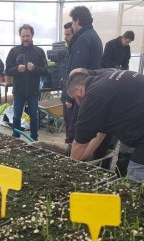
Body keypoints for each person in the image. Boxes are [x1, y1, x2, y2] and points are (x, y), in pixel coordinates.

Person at [67, 68, 144, 188]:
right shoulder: (103, 79)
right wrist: (82, 158)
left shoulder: (93, 95)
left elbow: (80, 142)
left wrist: (69, 169)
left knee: (140, 180)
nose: (77, 104)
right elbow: (100, 132)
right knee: (140, 176)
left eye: (74, 98)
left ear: (78, 90)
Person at [61, 6, 103, 149]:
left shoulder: (83, 38)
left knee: (76, 128)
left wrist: (69, 97)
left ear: (78, 20)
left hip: (80, 93)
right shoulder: (94, 36)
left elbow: (76, 71)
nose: (72, 26)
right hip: (90, 88)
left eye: (73, 22)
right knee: (84, 126)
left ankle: (73, 158)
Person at [102, 30, 135, 176]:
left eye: (129, 43)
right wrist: (115, 68)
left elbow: (126, 61)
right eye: (127, 41)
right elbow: (104, 61)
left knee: (119, 145)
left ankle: (119, 170)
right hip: (110, 75)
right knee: (107, 142)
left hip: (120, 77)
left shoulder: (126, 48)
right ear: (123, 37)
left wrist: (124, 71)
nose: (127, 44)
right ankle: (104, 166)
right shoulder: (110, 45)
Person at [5, 24, 48, 141]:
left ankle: (34, 139)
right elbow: (7, 70)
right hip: (19, 91)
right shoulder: (14, 51)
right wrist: (16, 69)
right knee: (16, 117)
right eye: (23, 36)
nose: (25, 38)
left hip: (33, 92)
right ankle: (16, 137)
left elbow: (45, 71)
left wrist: (34, 68)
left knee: (34, 117)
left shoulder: (39, 52)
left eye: (27, 36)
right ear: (20, 36)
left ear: (32, 35)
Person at [61, 22, 75, 145]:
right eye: (64, 34)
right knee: (67, 123)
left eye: (68, 34)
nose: (65, 37)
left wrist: (69, 98)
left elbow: (74, 76)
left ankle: (72, 151)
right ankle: (69, 147)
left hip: (71, 97)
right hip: (66, 95)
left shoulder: (76, 50)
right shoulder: (69, 50)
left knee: (72, 126)